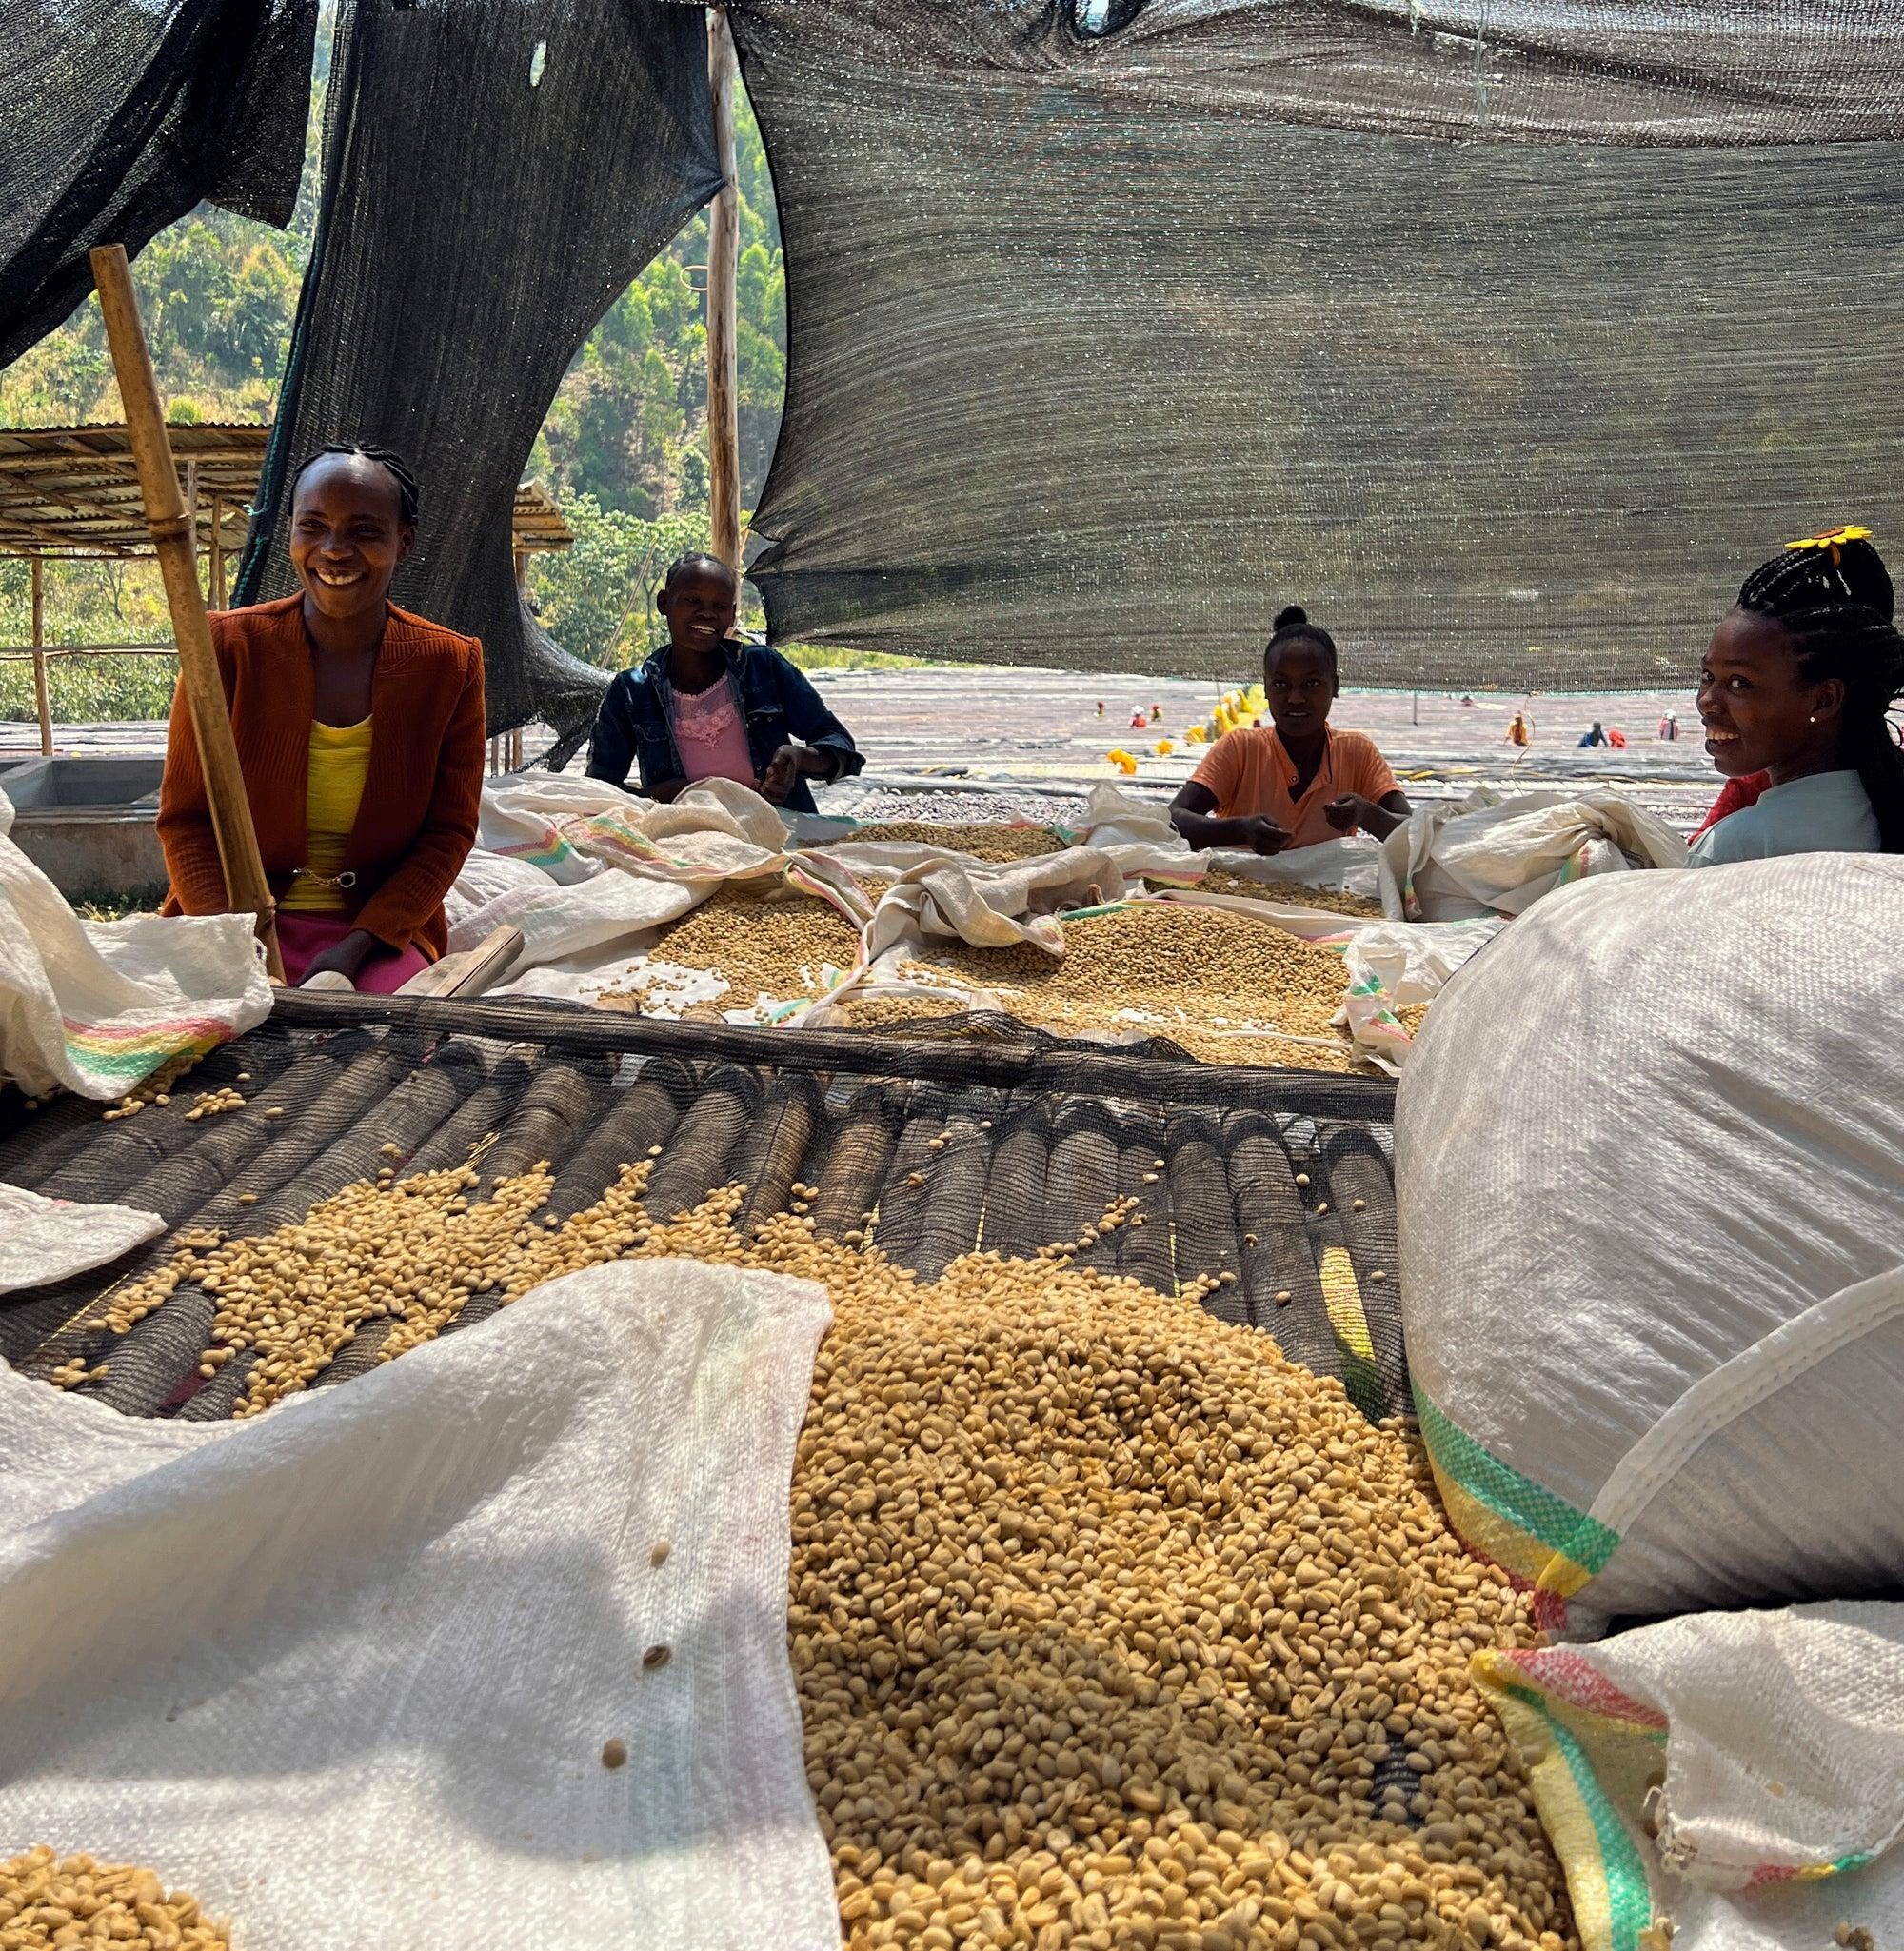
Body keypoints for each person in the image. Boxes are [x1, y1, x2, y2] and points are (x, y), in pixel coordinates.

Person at [157, 444, 485, 991]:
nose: (335, 551)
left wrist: (351, 952)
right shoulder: (224, 648)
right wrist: (239, 946)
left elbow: (448, 832)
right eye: (314, 526)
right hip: (231, 923)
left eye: (364, 531)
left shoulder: (449, 665)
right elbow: (187, 821)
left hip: (377, 933)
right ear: (290, 533)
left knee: (387, 1049)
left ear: (403, 542)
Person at [1689, 525, 1904, 866]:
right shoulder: (1883, 812)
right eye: (1707, 676)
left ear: (1824, 699)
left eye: (1740, 683)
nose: (1707, 700)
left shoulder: (1735, 848)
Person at [585, 554, 863, 813]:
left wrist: (799, 757)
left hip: (779, 828)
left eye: (719, 606)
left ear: (731, 613)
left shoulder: (763, 668)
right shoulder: (632, 691)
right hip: (686, 840)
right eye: (692, 601)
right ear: (664, 603)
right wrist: (658, 796)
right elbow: (598, 790)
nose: (707, 614)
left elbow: (839, 744)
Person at [1169, 606, 1410, 854]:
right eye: (1281, 684)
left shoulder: (1356, 753)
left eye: (1311, 684)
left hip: (1324, 891)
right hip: (1236, 890)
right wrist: (1239, 830)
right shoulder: (1239, 749)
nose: (1295, 698)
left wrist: (1366, 813)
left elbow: (1413, 831)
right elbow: (1173, 819)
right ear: (1266, 688)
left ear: (1335, 686)